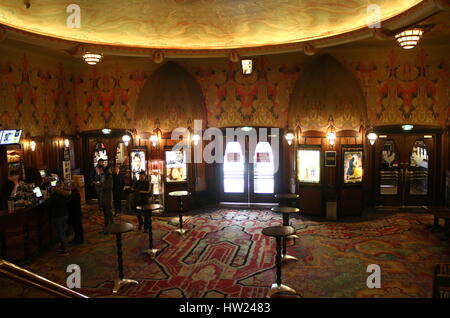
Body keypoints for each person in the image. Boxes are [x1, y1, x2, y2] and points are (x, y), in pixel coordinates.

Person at [46, 181, 71, 254]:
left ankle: (64, 247)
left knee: (60, 232)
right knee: (63, 231)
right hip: (65, 214)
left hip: (57, 215)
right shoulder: (65, 194)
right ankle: (64, 245)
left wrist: (46, 198)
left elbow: (48, 204)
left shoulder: (55, 195)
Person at [101, 165, 114, 234]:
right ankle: (107, 226)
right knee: (105, 211)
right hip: (104, 196)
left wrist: (102, 185)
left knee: (109, 210)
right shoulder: (104, 176)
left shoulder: (109, 177)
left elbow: (109, 187)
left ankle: (111, 226)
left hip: (108, 196)